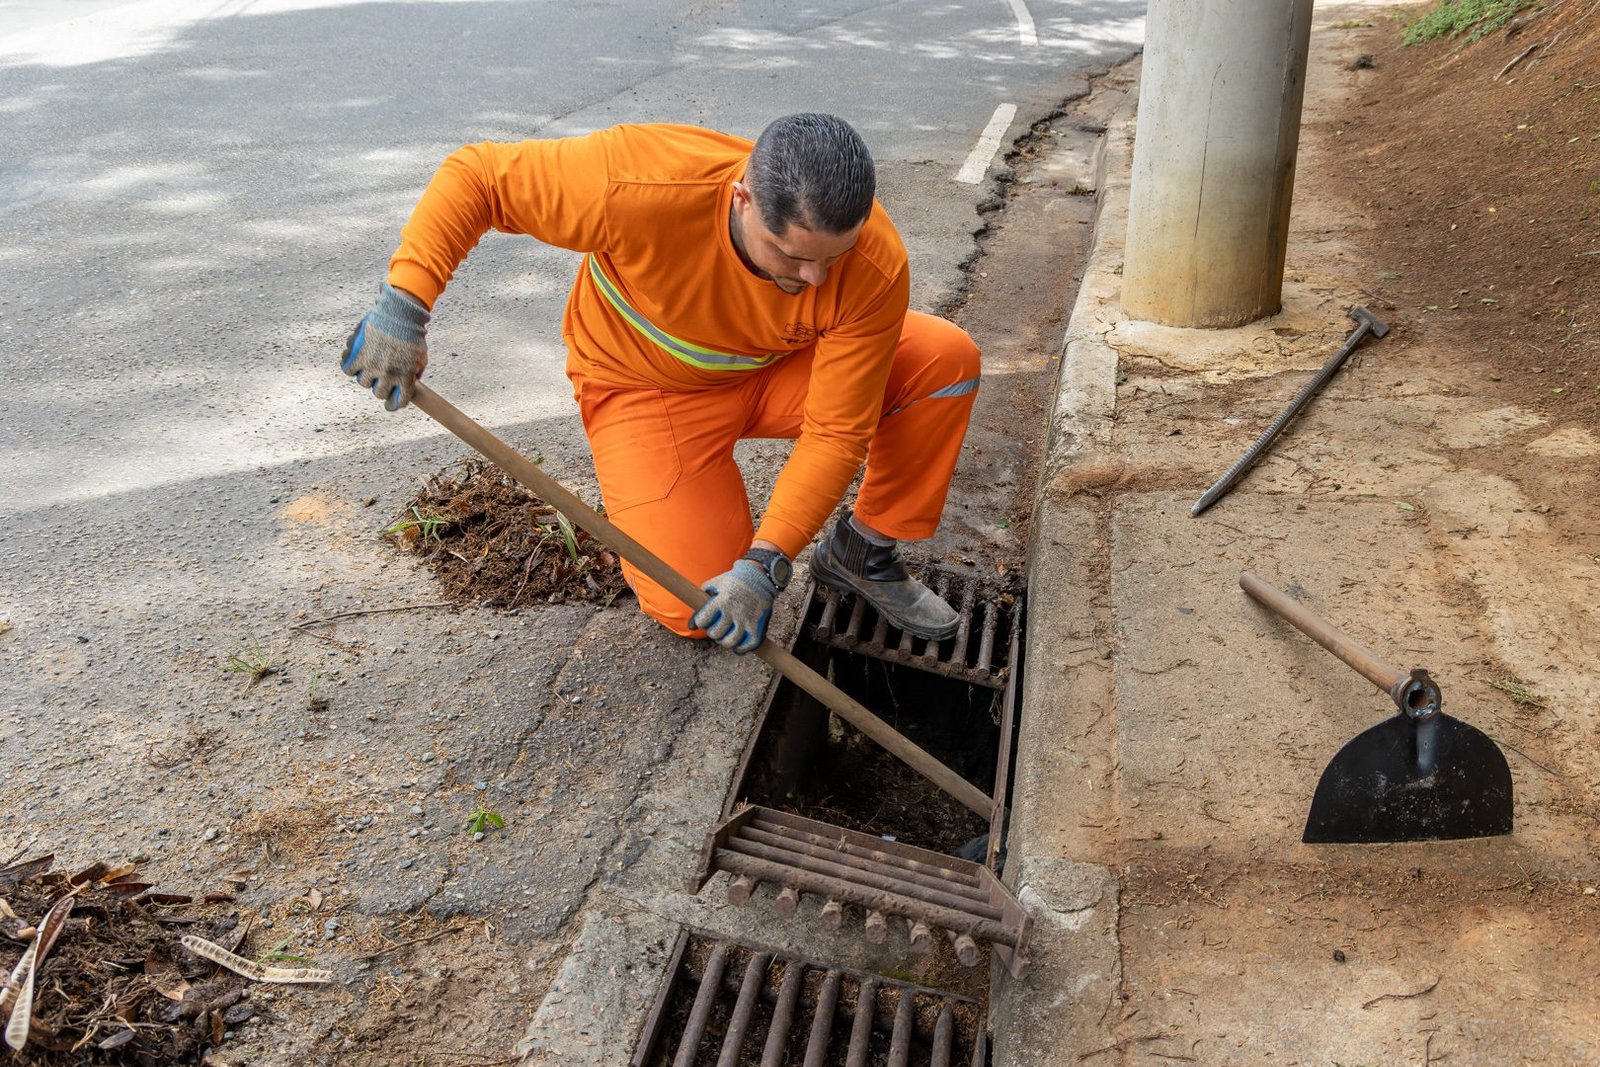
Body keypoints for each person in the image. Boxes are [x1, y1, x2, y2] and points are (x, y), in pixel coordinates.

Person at [342, 113, 980, 654]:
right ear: (743, 199)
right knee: (691, 604)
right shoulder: (640, 184)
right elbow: (478, 177)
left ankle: (859, 552)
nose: (815, 278)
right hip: (644, 389)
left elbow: (837, 431)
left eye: (832, 257)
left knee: (943, 362)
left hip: (777, 370)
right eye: (792, 255)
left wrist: (768, 561)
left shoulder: (872, 262)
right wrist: (405, 306)